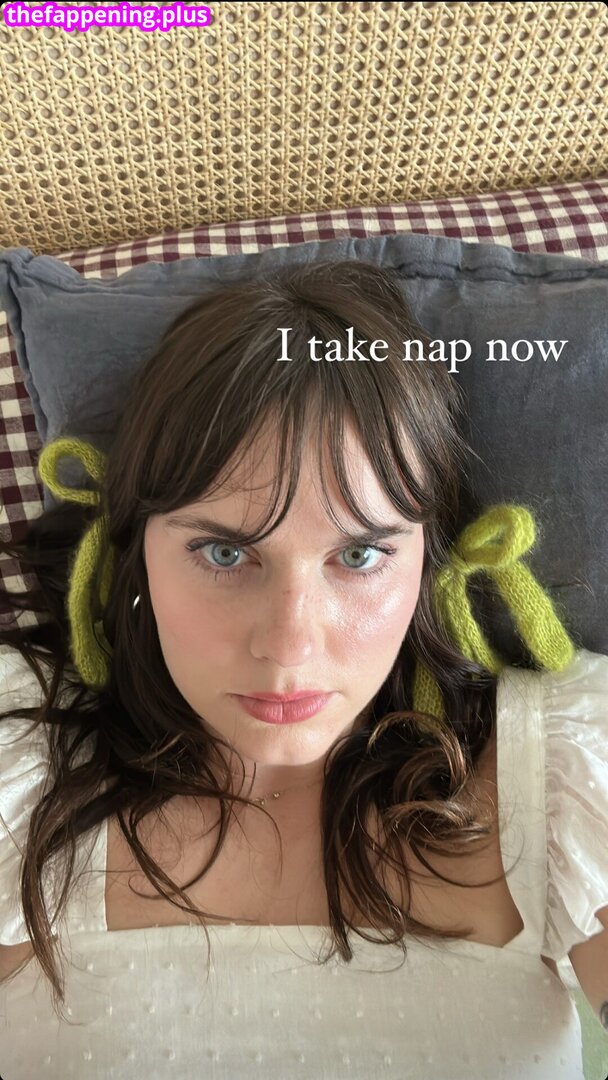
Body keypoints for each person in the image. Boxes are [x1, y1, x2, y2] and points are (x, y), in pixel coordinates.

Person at [0, 260, 606, 1079]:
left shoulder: (565, 772)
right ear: (137, 551)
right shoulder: (19, 766)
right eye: (224, 553)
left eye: (358, 556)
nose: (289, 647)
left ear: (428, 564)